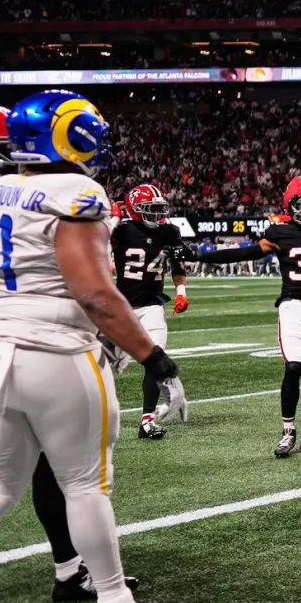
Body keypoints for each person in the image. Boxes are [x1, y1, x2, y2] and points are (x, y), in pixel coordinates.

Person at [0, 89, 187, 603]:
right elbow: (95, 294)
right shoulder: (77, 193)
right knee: (84, 484)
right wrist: (156, 359)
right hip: (56, 351)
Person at [199, 175, 301, 457]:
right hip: (293, 306)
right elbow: (246, 253)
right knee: (294, 366)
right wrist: (202, 257)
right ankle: (288, 431)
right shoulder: (280, 232)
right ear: (292, 207)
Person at [110, 184, 190, 440]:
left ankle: (147, 420)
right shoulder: (122, 230)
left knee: (155, 361)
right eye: (150, 209)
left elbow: (177, 263)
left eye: (158, 209)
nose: (156, 214)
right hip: (121, 305)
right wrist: (113, 220)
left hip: (153, 303)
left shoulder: (168, 231)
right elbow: (97, 244)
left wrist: (181, 292)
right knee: (102, 362)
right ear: (134, 209)